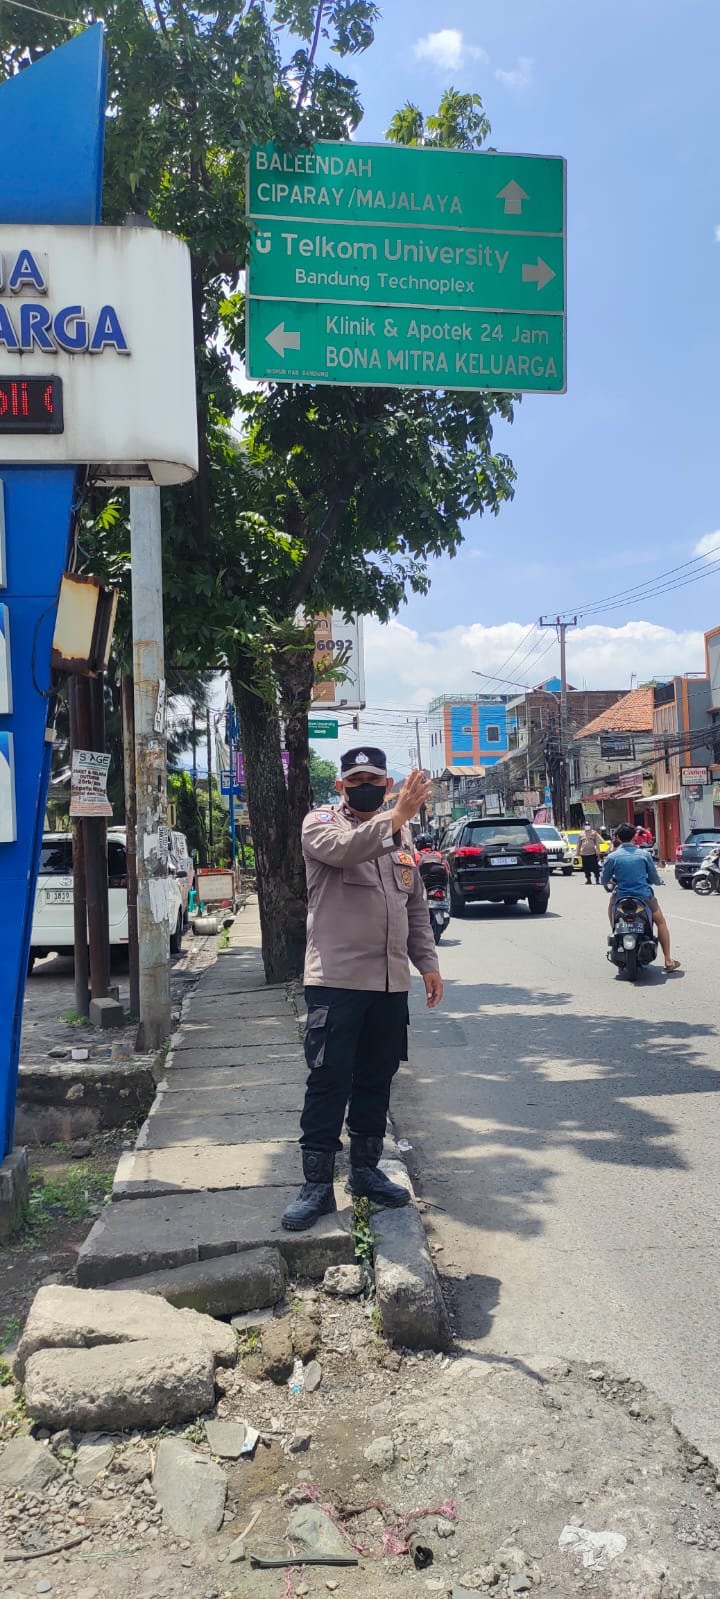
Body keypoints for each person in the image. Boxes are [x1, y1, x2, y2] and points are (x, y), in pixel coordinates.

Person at [282, 750, 443, 1233]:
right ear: (340, 786)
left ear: (387, 783)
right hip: (337, 981)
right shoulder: (321, 823)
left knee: (377, 1078)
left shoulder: (402, 834)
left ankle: (366, 1171)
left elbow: (415, 906)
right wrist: (395, 817)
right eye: (356, 780)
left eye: (374, 778)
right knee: (329, 1080)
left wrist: (427, 964)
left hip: (390, 983)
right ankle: (315, 1185)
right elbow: (344, 851)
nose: (365, 786)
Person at [601, 821, 681, 972]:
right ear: (634, 837)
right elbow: (654, 877)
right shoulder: (644, 855)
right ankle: (668, 960)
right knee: (661, 923)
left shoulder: (612, 857)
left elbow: (604, 880)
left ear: (617, 837)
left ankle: (615, 930)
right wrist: (658, 882)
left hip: (621, 897)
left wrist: (611, 881)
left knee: (612, 907)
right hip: (643, 896)